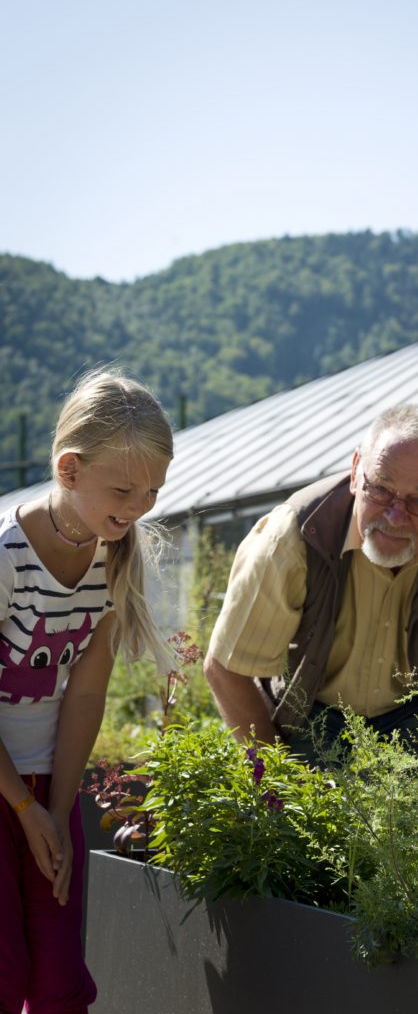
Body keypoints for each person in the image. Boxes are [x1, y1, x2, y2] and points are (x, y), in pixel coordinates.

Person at [0, 371, 173, 1014]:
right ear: (69, 470)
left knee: (58, 979)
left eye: (153, 491)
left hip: (50, 784)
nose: (139, 506)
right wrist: (23, 808)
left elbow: (83, 697)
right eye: (124, 489)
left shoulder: (112, 562)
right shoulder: (7, 559)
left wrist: (59, 812)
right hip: (6, 788)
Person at [204, 404, 418, 761]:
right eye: (381, 488)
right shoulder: (295, 535)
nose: (395, 516)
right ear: (356, 473)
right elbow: (226, 667)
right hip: (312, 712)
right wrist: (273, 780)